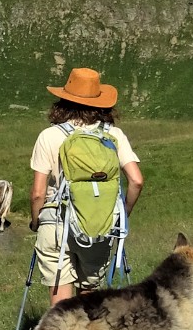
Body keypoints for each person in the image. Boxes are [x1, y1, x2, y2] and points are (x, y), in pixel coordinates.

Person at [28, 67, 144, 306]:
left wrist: (35, 221)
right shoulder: (114, 135)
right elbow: (136, 180)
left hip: (56, 224)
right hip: (98, 226)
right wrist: (121, 214)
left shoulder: (49, 136)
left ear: (64, 101)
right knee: (90, 303)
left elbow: (38, 193)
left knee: (61, 309)